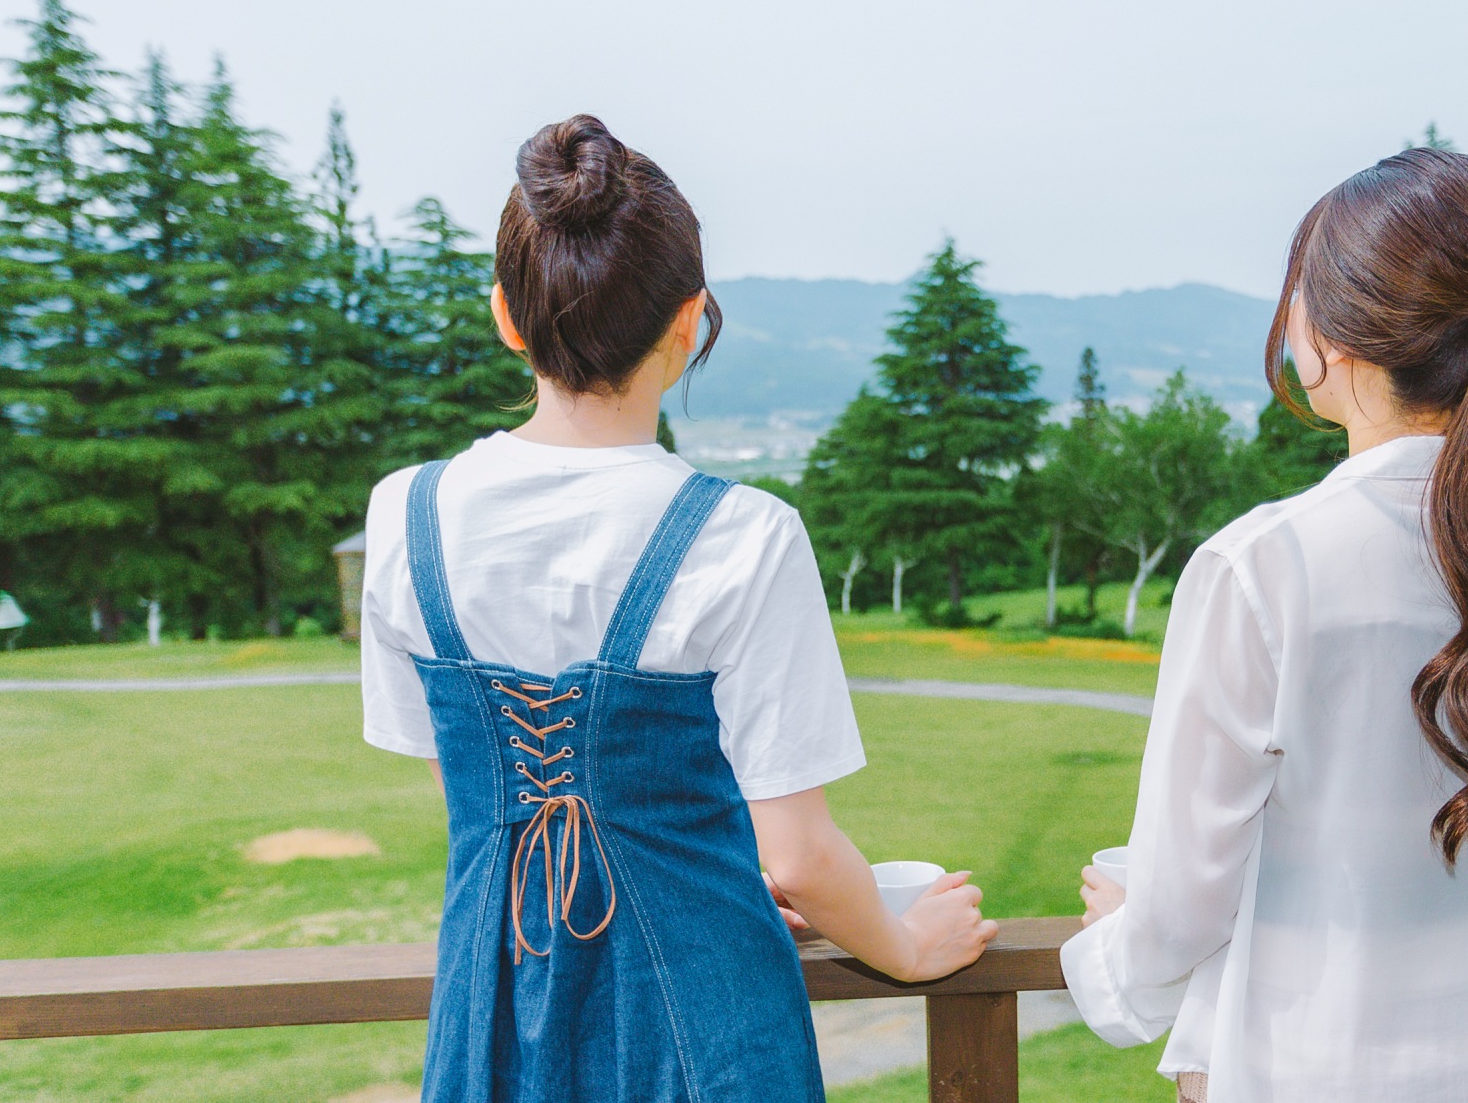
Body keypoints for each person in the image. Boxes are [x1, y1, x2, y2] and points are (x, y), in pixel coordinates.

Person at [360, 114, 996, 1102]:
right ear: (689, 321)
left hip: (495, 1009)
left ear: (504, 315)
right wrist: (906, 947)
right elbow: (798, 854)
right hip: (705, 1022)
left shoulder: (407, 512)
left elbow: (486, 796)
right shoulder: (741, 533)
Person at [1060, 148, 1468, 1103]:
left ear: (1328, 338)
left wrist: (1117, 949)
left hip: (1309, 1070)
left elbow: (1181, 896)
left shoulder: (1263, 567)